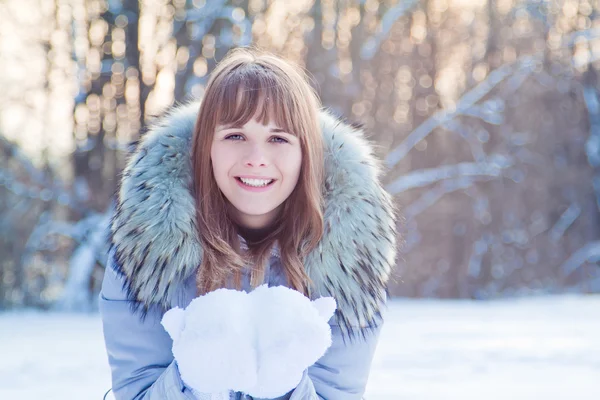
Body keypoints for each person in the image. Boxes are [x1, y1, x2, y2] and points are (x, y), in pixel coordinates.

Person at [100, 47, 398, 399]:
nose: (256, 159)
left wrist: (285, 384)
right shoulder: (147, 254)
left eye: (278, 138)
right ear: (204, 147)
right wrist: (192, 376)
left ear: (307, 154)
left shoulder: (348, 265)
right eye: (235, 136)